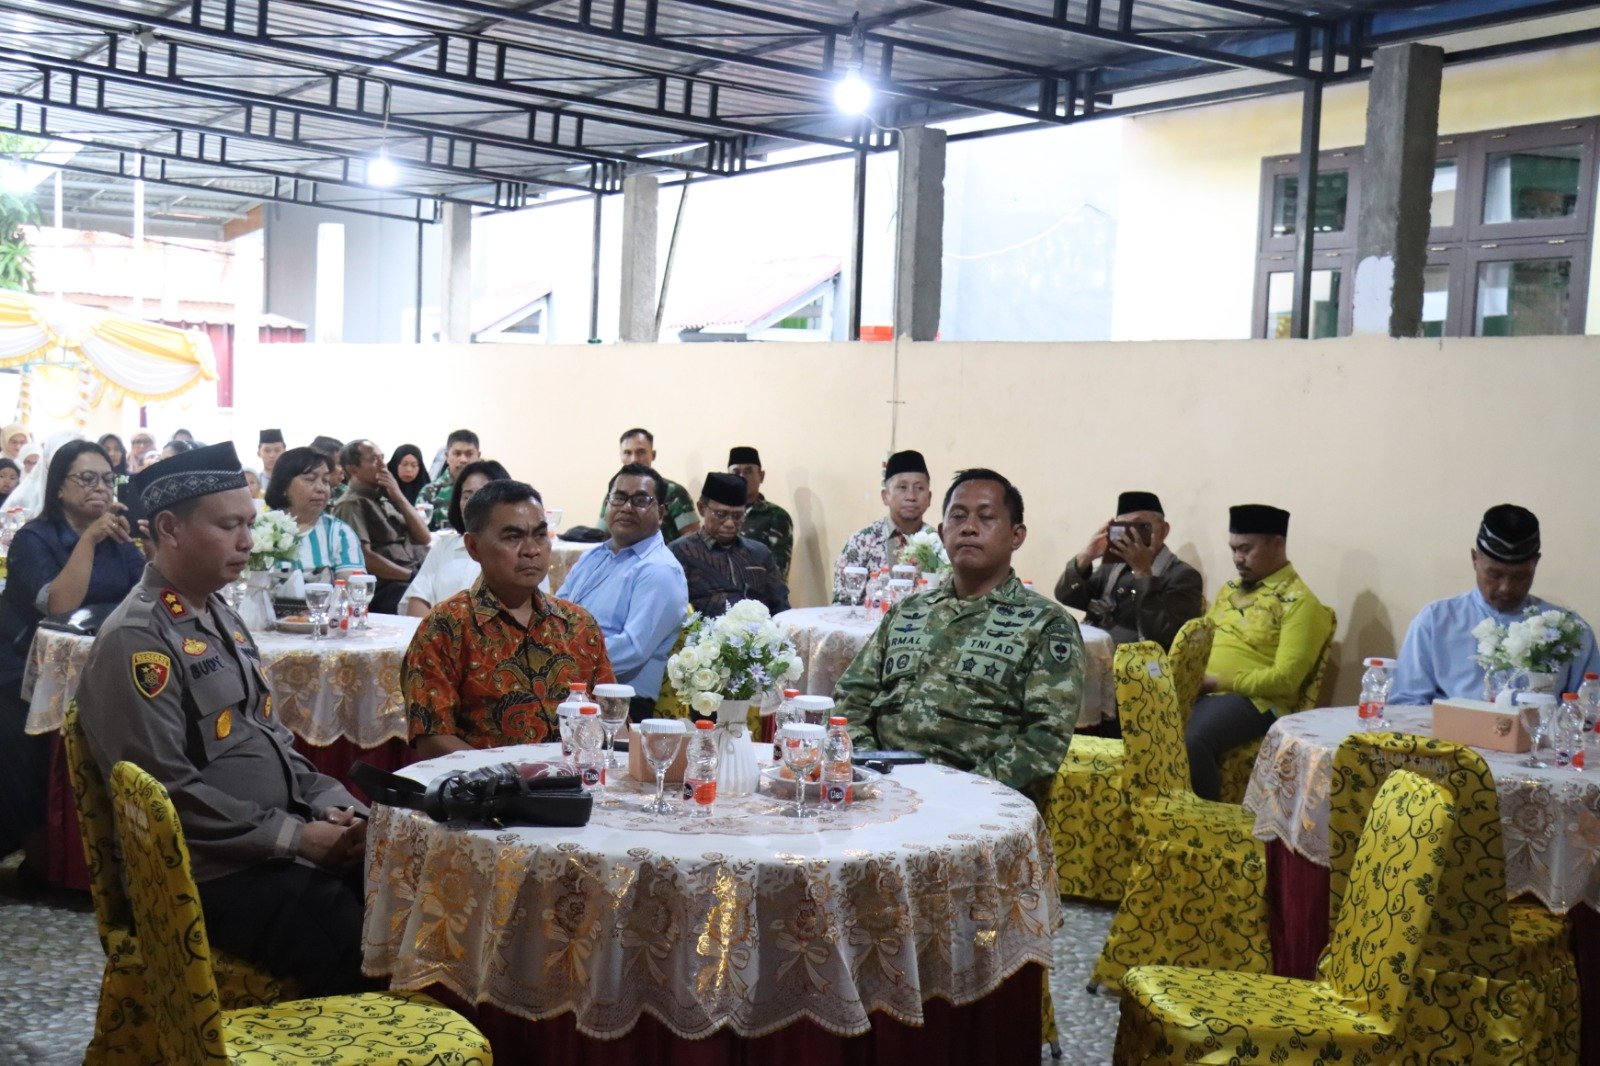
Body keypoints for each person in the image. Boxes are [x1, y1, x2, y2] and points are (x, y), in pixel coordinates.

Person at [75, 442, 370, 996]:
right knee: (349, 935)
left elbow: (272, 743)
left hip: (265, 846)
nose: (247, 543)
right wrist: (295, 839)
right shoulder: (140, 639)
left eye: (250, 524)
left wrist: (339, 810)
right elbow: (163, 793)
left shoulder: (218, 614)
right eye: (229, 525)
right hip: (203, 873)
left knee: (394, 882)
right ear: (169, 528)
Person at [835, 469, 1083, 803]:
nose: (968, 527)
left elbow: (1043, 741)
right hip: (881, 790)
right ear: (941, 532)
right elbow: (852, 695)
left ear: (1016, 535)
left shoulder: (1046, 624)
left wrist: (957, 793)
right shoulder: (908, 611)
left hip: (976, 804)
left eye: (986, 517)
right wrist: (870, 768)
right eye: (958, 516)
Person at [0, 440, 144, 886]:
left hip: (99, 668)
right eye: (87, 479)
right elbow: (58, 603)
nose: (100, 488)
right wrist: (88, 539)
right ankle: (45, 856)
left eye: (107, 479)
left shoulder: (119, 541)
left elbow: (149, 598)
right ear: (59, 488)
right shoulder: (34, 539)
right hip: (22, 670)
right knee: (22, 744)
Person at [404, 480, 614, 757]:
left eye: (540, 535)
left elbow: (613, 719)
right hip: (488, 793)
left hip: (579, 786)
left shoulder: (578, 624)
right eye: (513, 537)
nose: (531, 550)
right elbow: (432, 737)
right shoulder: (445, 627)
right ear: (474, 547)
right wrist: (509, 778)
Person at [1186, 505, 1334, 802]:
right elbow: (1203, 638)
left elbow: (1285, 679)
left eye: (1246, 549)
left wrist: (1217, 682)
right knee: (1143, 720)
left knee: (1192, 738)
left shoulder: (1300, 603)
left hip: (1256, 702)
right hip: (1205, 688)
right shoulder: (1231, 590)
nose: (1237, 559)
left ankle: (1207, 825)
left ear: (1277, 544)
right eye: (1233, 549)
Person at [1391, 504, 1600, 705]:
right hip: (1451, 739)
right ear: (1475, 559)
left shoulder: (1568, 630)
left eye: (1519, 577)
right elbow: (1406, 704)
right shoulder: (1435, 621)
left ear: (1535, 563)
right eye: (1494, 574)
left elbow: (1590, 709)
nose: (1505, 588)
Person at [561, 463, 689, 721]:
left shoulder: (660, 570)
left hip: (618, 704)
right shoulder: (593, 557)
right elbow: (556, 612)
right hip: (571, 686)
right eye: (619, 497)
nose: (627, 507)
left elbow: (632, 648)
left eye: (641, 500)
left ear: (661, 513)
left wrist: (560, 663)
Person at [1055, 491, 1204, 651]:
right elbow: (1067, 596)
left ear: (1163, 531)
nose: (1129, 536)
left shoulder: (1182, 576)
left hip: (1139, 664)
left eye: (1139, 527)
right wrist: (1086, 556)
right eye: (1122, 527)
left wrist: (1143, 573)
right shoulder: (1113, 567)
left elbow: (1165, 637)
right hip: (1095, 652)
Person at [330, 439, 431, 614]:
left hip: (409, 577)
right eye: (374, 460)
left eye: (382, 458)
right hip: (384, 587)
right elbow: (365, 557)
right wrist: (411, 577)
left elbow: (423, 538)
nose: (383, 466)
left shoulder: (384, 499)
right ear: (353, 469)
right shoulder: (350, 504)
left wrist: (398, 495)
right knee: (428, 603)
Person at [400, 459, 511, 617]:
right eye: (467, 496)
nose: (473, 503)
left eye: (482, 494)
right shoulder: (443, 547)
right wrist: (441, 637)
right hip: (436, 639)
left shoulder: (518, 552)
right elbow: (417, 602)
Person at [670, 472, 789, 617]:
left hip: (761, 636)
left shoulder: (760, 553)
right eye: (721, 514)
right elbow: (671, 611)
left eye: (737, 516)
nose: (729, 523)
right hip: (703, 637)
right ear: (702, 508)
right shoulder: (680, 552)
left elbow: (781, 606)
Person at [832, 449, 942, 603]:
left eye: (919, 488)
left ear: (929, 498)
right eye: (902, 487)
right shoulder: (862, 542)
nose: (911, 496)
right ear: (885, 496)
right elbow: (842, 604)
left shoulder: (938, 545)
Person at [264, 447, 363, 585]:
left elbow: (354, 590)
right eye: (310, 479)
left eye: (326, 481)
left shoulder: (339, 533)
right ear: (283, 486)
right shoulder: (259, 531)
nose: (321, 488)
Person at [597, 428, 699, 541]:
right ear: (621, 456)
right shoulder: (614, 492)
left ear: (653, 454)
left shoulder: (674, 492)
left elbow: (692, 540)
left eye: (641, 452)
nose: (634, 459)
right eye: (627, 453)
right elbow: (600, 535)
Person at [728, 445, 793, 579]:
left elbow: (777, 571)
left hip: (760, 596)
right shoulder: (718, 516)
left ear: (761, 476)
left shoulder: (776, 516)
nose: (742, 477)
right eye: (736, 472)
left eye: (748, 471)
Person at [416, 430, 481, 532]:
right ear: (447, 456)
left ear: (478, 456)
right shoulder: (430, 492)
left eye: (469, 454)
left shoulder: (488, 490)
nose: (463, 459)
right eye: (457, 453)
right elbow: (419, 533)